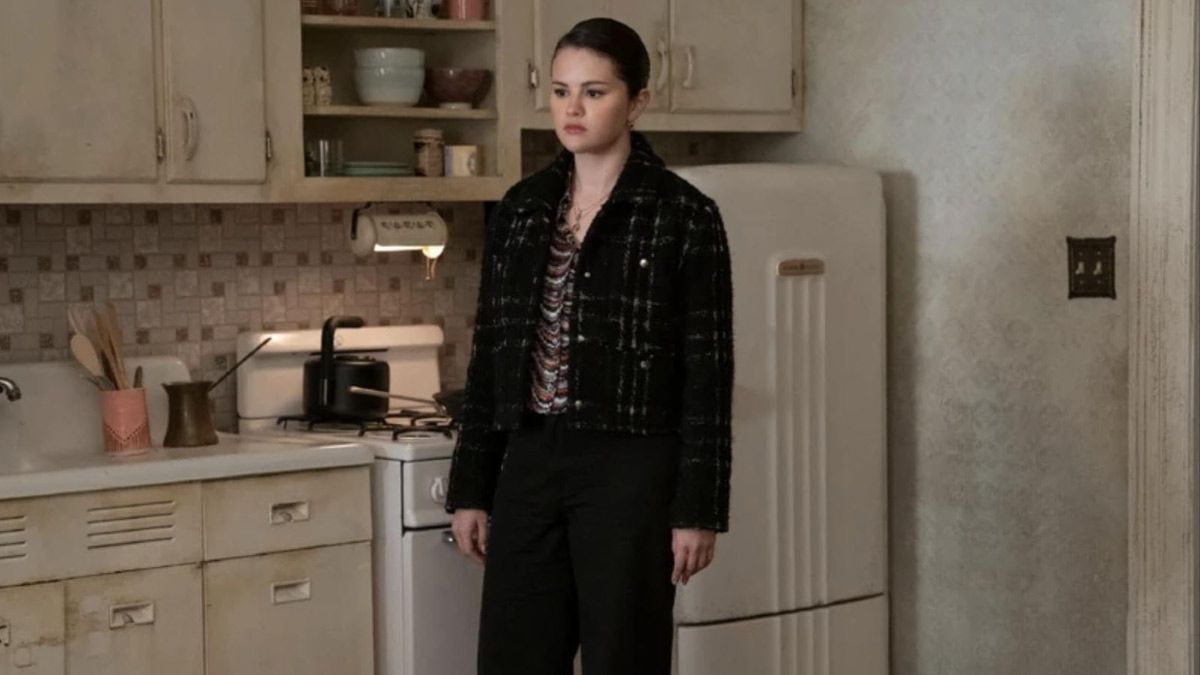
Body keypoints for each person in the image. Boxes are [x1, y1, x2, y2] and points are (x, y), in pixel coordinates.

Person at [445, 16, 734, 675]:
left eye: (595, 92)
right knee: (513, 658)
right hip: (531, 461)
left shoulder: (684, 215)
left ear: (637, 102)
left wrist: (699, 508)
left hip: (631, 469)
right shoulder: (520, 209)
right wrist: (471, 489)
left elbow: (707, 374)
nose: (572, 109)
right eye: (561, 91)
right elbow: (491, 354)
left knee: (623, 658)